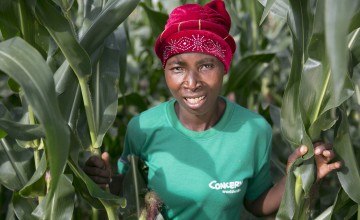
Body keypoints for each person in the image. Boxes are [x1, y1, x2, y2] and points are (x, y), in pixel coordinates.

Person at [83, 0, 341, 219]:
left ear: (224, 68)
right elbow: (128, 187)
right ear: (164, 72)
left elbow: (256, 202)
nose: (192, 82)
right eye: (177, 68)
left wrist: (296, 177)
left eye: (206, 66)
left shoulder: (254, 130)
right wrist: (104, 179)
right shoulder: (142, 127)